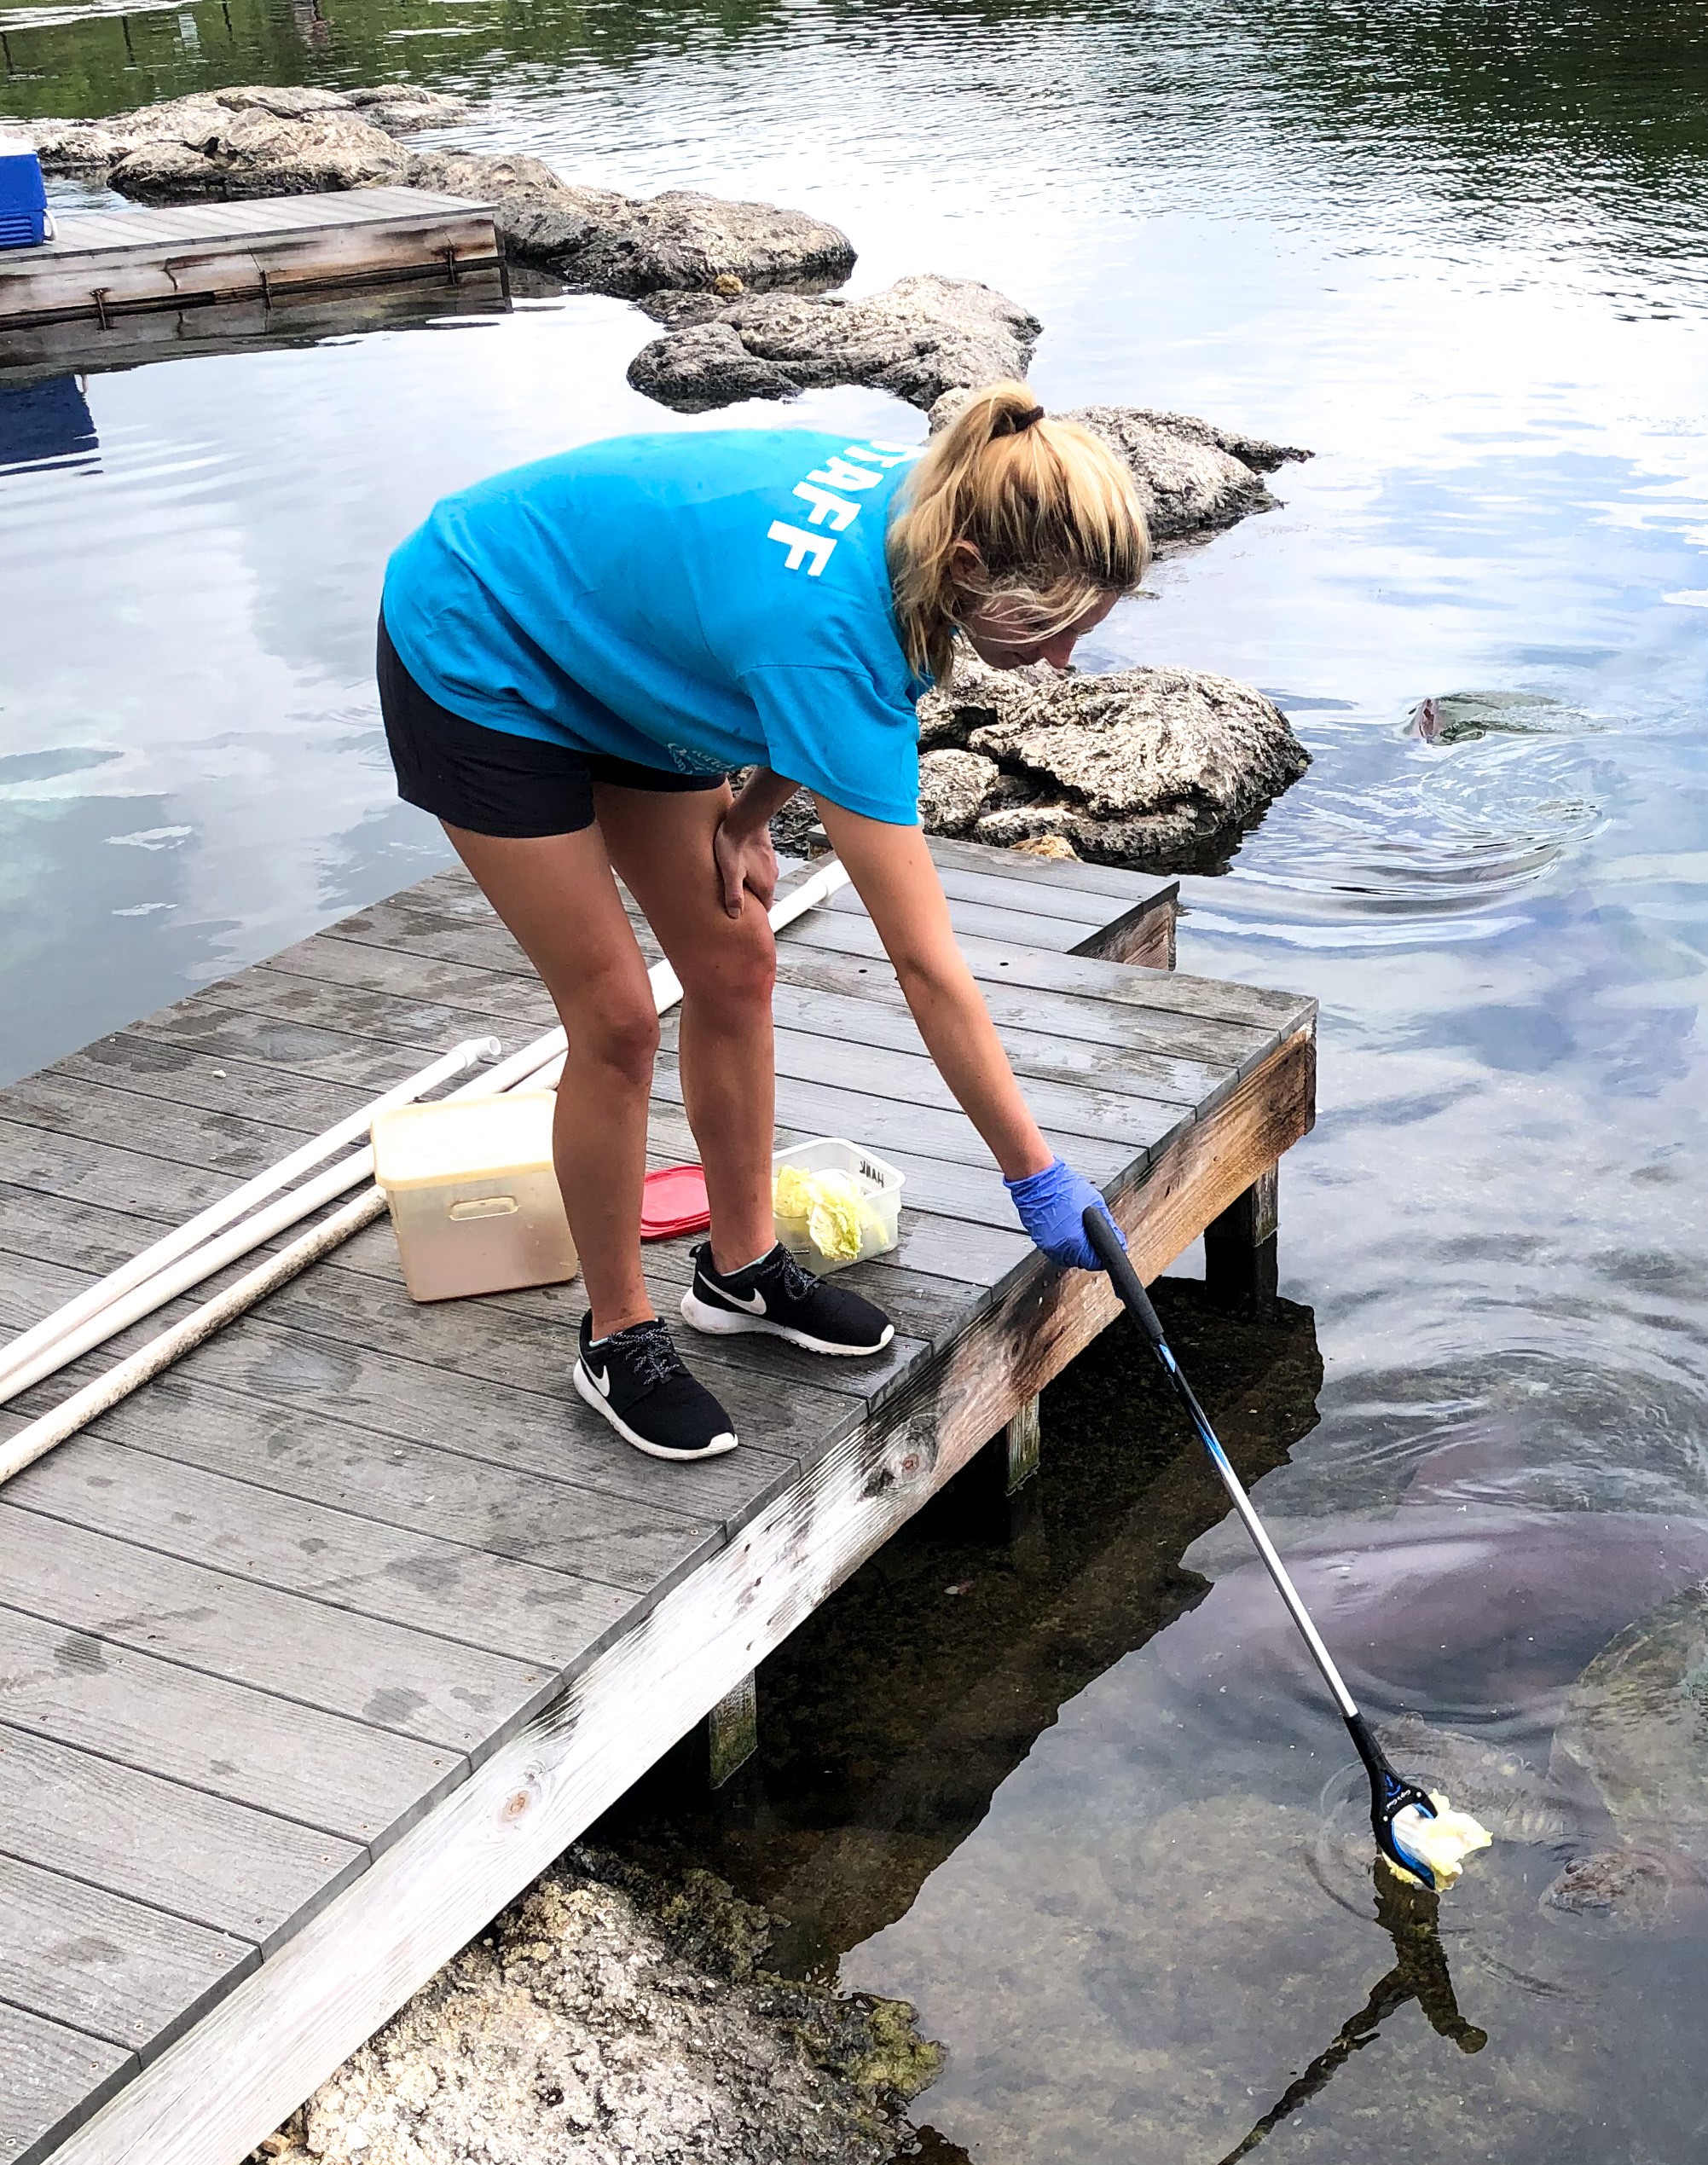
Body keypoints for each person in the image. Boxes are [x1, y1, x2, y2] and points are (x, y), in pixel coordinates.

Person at [375, 384, 1145, 1462]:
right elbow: (926, 967)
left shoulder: (924, 521)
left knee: (736, 960)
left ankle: (737, 1274)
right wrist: (1035, 1176)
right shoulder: (838, 628)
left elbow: (789, 665)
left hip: (627, 654)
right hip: (481, 641)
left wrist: (747, 815)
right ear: (971, 566)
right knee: (615, 1017)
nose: (1064, 658)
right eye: (1054, 627)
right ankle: (616, 1333)